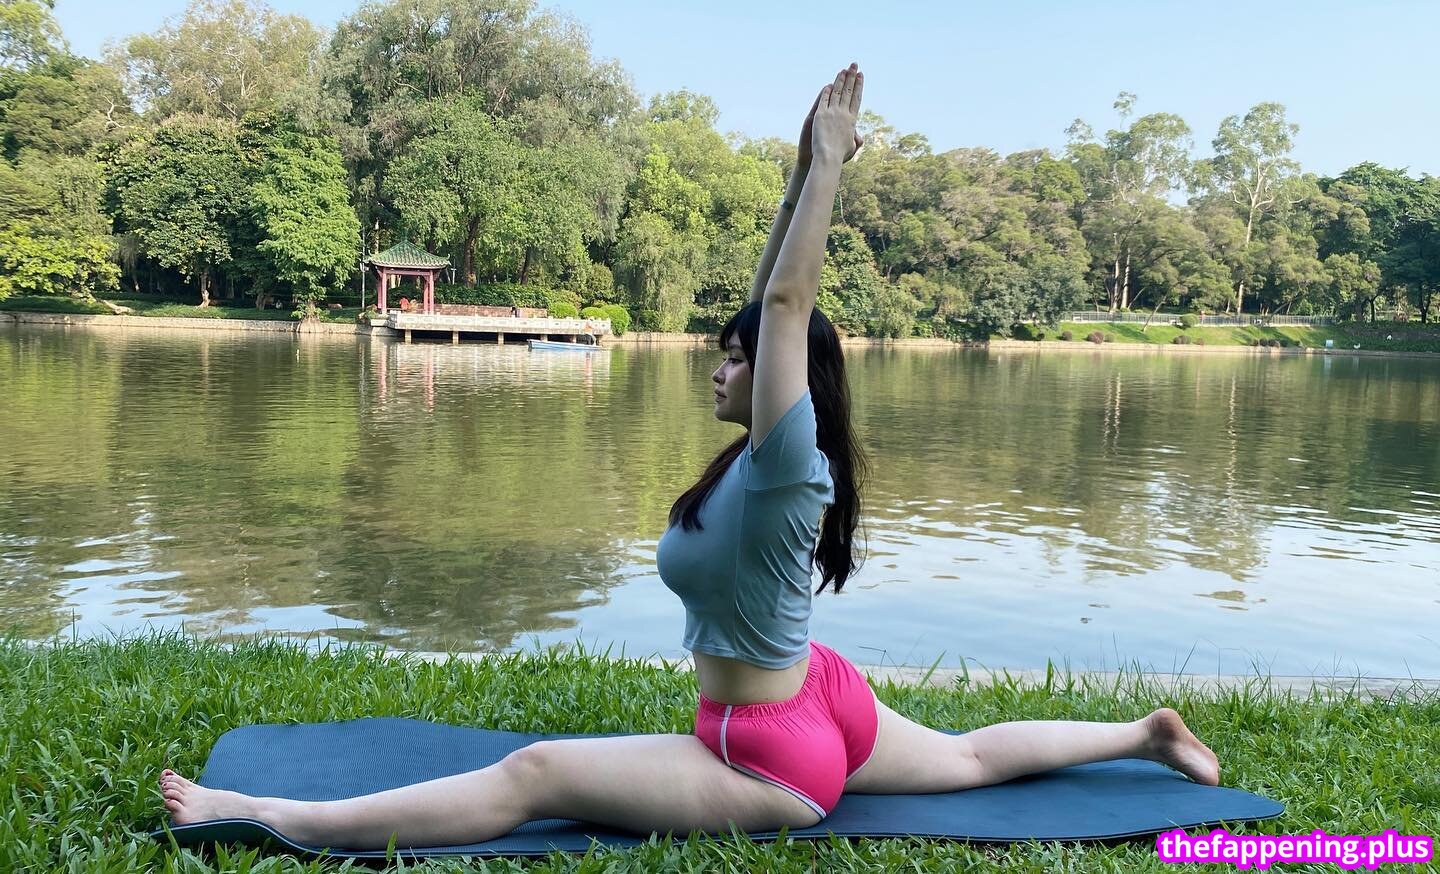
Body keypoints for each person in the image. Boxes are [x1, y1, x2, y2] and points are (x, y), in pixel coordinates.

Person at [157, 63, 1217, 850]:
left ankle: (279, 816)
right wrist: (795, 177)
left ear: (783, 380)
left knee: (533, 774)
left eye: (736, 360)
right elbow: (769, 300)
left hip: (771, 753)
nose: (720, 367)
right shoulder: (763, 464)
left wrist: (831, 170)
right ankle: (1145, 732)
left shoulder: (790, 458)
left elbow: (789, 305)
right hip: (820, 694)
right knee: (972, 755)